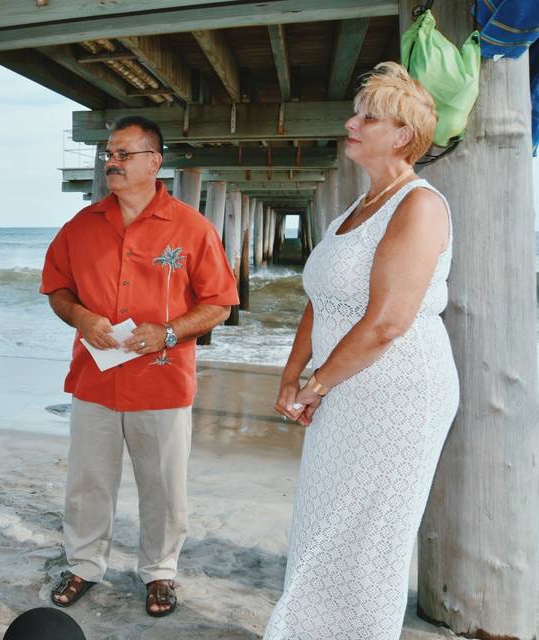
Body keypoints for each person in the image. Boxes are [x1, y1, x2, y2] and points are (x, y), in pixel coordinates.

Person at [264, 62, 458, 639]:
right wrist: (291, 374)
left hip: (397, 393)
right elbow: (320, 299)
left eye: (366, 117)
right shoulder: (355, 208)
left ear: (402, 135)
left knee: (371, 537)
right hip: (344, 387)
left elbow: (387, 323)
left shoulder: (419, 206)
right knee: (323, 525)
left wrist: (316, 385)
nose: (351, 123)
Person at [40, 115, 238, 617]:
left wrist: (167, 332)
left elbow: (220, 303)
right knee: (87, 483)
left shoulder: (193, 228)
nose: (112, 162)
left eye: (124, 154)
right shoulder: (81, 226)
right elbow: (57, 290)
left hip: (164, 382)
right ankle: (84, 565)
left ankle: (160, 573)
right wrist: (81, 316)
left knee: (165, 488)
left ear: (155, 162)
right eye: (109, 154)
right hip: (94, 381)